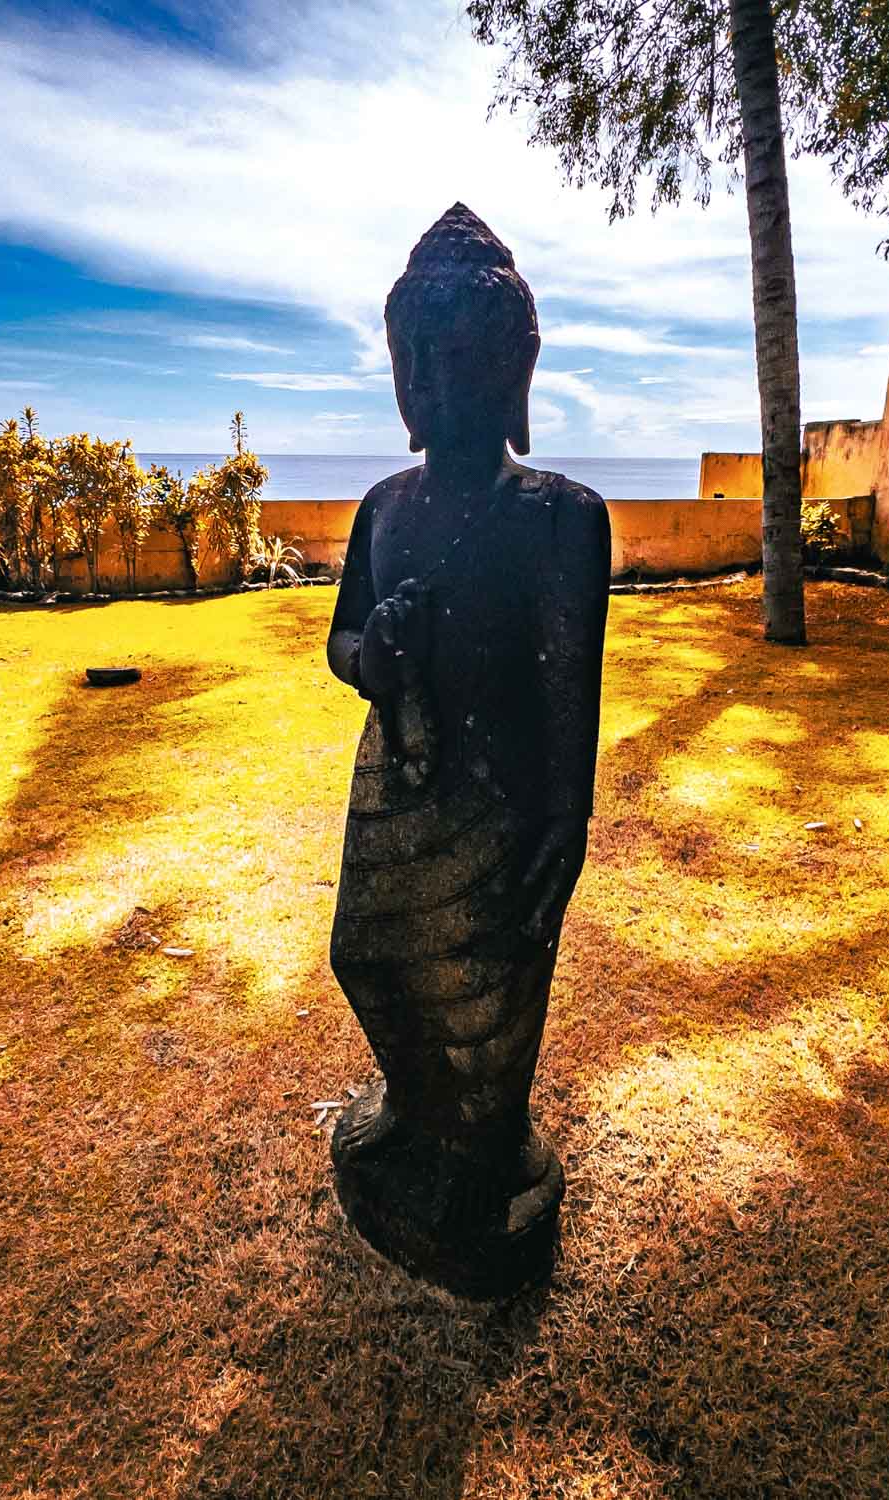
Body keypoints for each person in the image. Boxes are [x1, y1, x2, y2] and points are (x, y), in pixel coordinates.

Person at [323, 203, 610, 1297]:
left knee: (488, 991)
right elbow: (340, 642)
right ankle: (410, 1109)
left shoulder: (557, 518)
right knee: (370, 959)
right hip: (396, 779)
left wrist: (565, 822)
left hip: (504, 799)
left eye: (457, 360)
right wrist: (374, 656)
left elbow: (568, 688)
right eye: (414, 362)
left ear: (511, 373)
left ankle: (483, 1157)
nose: (432, 384)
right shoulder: (381, 508)